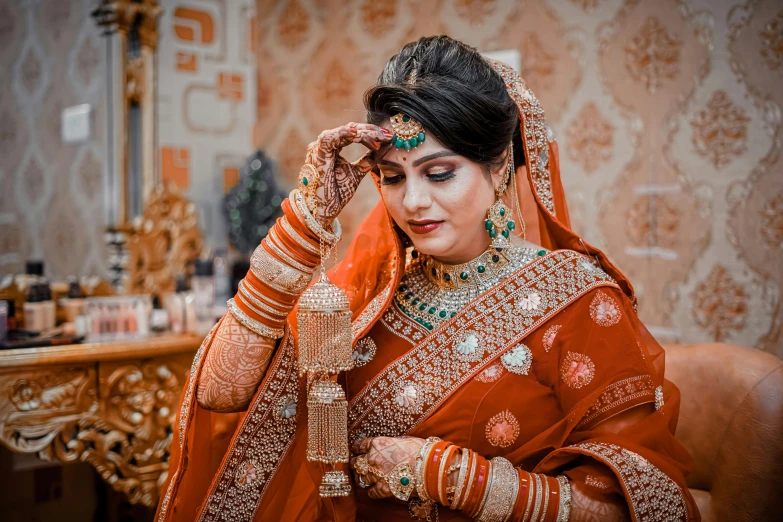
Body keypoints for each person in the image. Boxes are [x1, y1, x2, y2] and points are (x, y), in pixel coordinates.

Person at [156, 36, 700, 522]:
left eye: (440, 173)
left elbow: (652, 506)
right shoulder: (371, 294)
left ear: (497, 168)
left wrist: (448, 475)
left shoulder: (577, 300)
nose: (413, 202)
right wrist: (303, 225)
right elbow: (223, 395)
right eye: (391, 178)